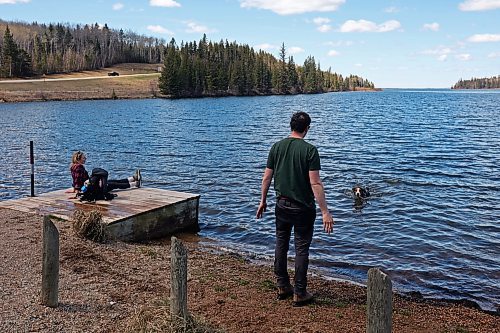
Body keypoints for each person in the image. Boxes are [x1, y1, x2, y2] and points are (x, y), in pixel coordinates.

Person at [256, 111, 334, 307]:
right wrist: (325, 211)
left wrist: (262, 200)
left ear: (291, 126)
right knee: (301, 249)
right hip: (303, 208)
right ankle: (299, 292)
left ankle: (282, 285)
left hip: (281, 205)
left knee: (281, 244)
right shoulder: (310, 151)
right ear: (307, 128)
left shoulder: (276, 147)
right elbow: (315, 183)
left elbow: (267, 177)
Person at [70, 150, 141, 194]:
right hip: (92, 189)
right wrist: (77, 191)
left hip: (92, 184)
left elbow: (75, 180)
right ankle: (135, 183)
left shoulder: (74, 166)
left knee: (113, 181)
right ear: (78, 159)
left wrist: (74, 189)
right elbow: (77, 180)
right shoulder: (79, 167)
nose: (85, 159)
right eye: (83, 158)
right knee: (114, 184)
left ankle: (133, 178)